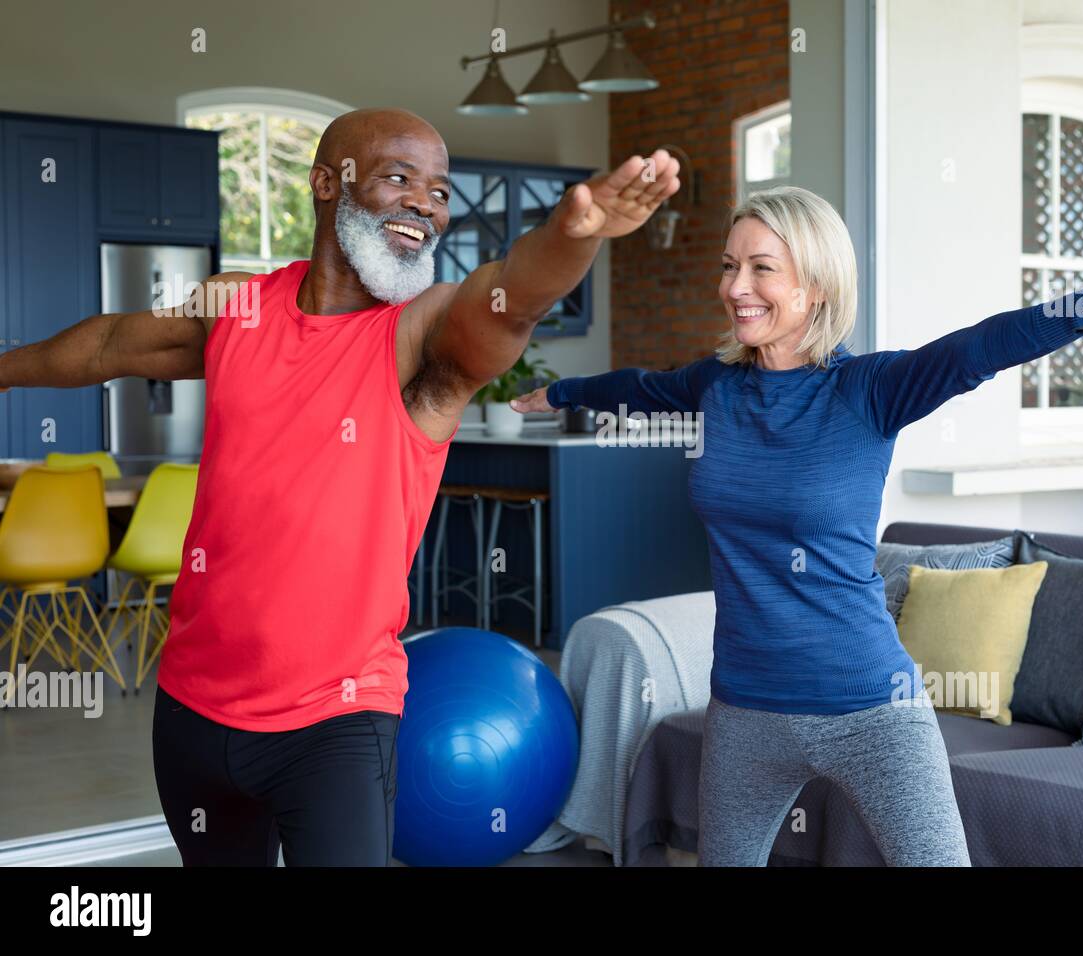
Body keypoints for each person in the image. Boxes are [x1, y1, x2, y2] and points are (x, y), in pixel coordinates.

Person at [0, 108, 679, 866]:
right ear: (328, 184)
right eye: (400, 177)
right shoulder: (238, 308)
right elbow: (106, 344)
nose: (426, 202)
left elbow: (510, 298)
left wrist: (572, 237)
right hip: (191, 709)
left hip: (336, 726)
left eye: (439, 190)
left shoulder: (420, 339)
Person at [513, 185, 1083, 866]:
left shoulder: (869, 392)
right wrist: (559, 392)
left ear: (815, 286)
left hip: (871, 709)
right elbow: (637, 387)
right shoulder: (715, 387)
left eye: (762, 268)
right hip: (743, 708)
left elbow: (977, 349)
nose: (735, 287)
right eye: (730, 266)